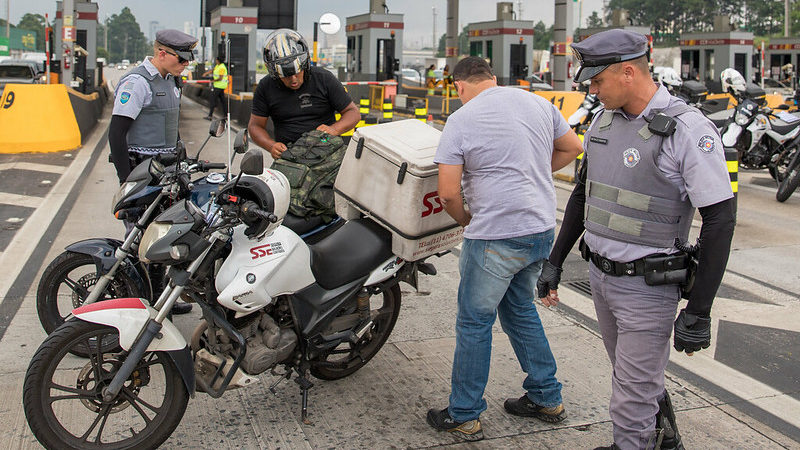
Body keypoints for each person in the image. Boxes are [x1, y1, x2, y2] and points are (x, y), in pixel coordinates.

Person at [536, 29, 736, 450]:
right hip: (601, 278)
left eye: (597, 81)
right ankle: (661, 439)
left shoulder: (686, 130)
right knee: (633, 378)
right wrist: (555, 260)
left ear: (628, 72)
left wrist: (700, 310)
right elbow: (583, 195)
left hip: (647, 288)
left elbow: (720, 218)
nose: (592, 90)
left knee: (630, 398)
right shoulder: (603, 121)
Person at [425, 56, 583, 441]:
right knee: (519, 309)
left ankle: (464, 413)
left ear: (459, 86)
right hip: (539, 229)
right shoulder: (538, 103)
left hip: (495, 235)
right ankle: (546, 397)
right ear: (493, 78)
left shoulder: (461, 119)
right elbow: (572, 147)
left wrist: (466, 220)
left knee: (474, 322)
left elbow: (447, 194)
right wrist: (532, 171)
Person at [109, 29, 197, 315]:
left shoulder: (171, 81)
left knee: (163, 236)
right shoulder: (137, 83)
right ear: (162, 53)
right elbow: (116, 133)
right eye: (182, 59)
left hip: (167, 171)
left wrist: (183, 161)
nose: (186, 64)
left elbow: (170, 125)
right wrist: (126, 182)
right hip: (143, 171)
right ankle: (138, 302)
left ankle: (159, 300)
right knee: (138, 239)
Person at [248, 29, 359, 160]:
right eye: (286, 76)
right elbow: (255, 126)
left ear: (305, 65)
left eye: (297, 72)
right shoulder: (265, 87)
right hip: (290, 157)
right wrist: (271, 145)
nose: (293, 80)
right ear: (275, 74)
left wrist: (334, 129)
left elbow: (353, 113)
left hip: (328, 154)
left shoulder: (324, 79)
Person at [202, 55, 228, 120]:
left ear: (218, 61)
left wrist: (213, 81)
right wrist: (206, 73)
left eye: (216, 60)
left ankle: (210, 116)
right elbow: (213, 70)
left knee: (213, 99)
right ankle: (226, 115)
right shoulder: (218, 66)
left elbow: (220, 78)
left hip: (219, 86)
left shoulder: (222, 67)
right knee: (223, 101)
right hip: (219, 86)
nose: (215, 61)